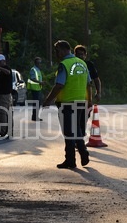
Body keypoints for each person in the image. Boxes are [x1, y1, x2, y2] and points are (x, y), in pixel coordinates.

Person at [43, 40, 92, 169]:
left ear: (65, 50)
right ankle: (83, 153)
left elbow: (59, 85)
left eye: (57, 50)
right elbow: (88, 83)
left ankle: (70, 160)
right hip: (81, 102)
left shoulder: (64, 65)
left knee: (69, 132)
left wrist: (48, 100)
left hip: (67, 103)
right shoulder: (82, 64)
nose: (56, 53)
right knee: (76, 130)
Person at [74, 45, 101, 119]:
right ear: (74, 55)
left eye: (82, 54)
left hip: (86, 96)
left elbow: (96, 79)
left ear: (85, 55)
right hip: (73, 97)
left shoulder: (89, 65)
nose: (80, 56)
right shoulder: (72, 65)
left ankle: (82, 130)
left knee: (84, 117)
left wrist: (98, 92)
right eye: (78, 54)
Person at [0, 54, 13, 137]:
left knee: (3, 113)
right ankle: (9, 131)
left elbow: (8, 72)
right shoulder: (2, 71)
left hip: (4, 95)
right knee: (7, 113)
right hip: (6, 94)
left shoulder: (6, 68)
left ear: (3, 61)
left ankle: (3, 131)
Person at [27, 56, 44, 121]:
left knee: (38, 103)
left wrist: (41, 83)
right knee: (36, 103)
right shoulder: (33, 69)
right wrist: (40, 82)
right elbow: (32, 78)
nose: (40, 64)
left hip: (38, 88)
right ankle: (34, 117)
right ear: (36, 63)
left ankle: (35, 116)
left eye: (40, 62)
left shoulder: (38, 69)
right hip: (34, 89)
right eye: (39, 62)